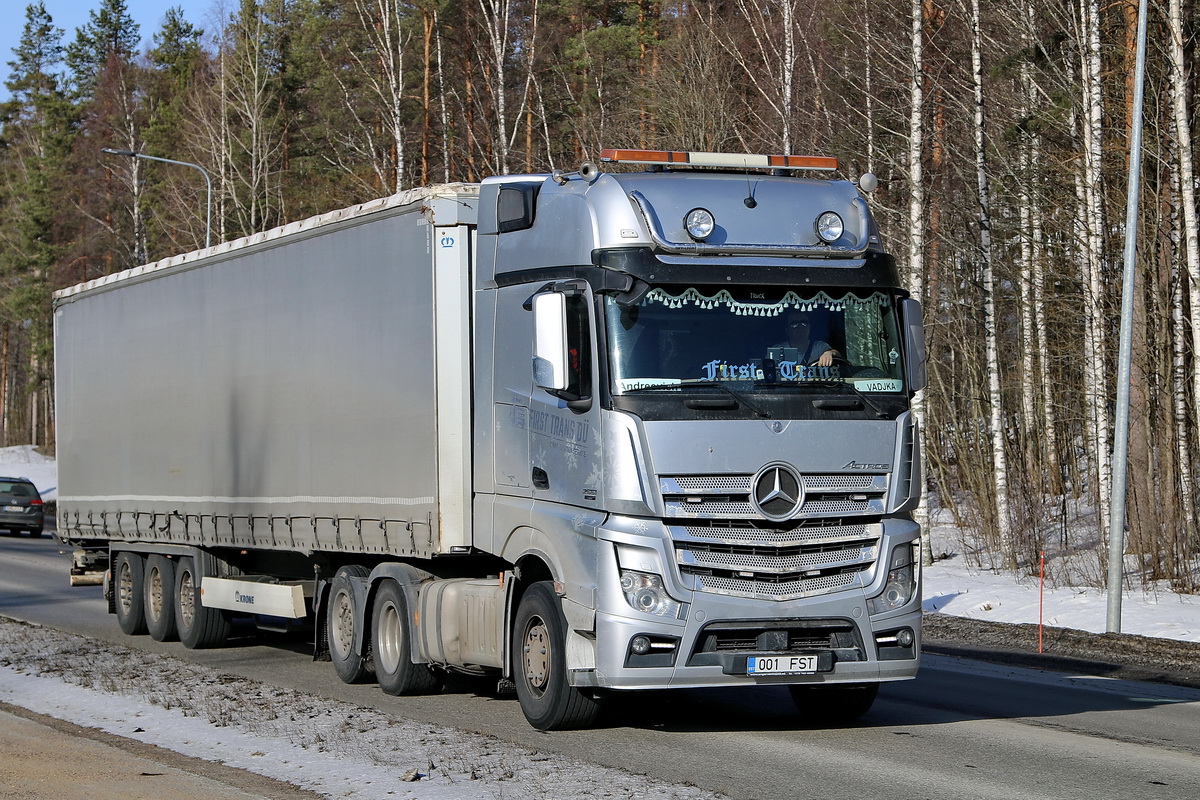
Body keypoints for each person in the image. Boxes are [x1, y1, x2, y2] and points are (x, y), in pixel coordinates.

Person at [772, 310, 839, 367]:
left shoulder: (819, 347)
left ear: (809, 327)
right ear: (787, 330)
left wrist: (829, 353)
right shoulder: (777, 350)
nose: (800, 327)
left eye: (804, 323)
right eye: (794, 324)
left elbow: (838, 355)